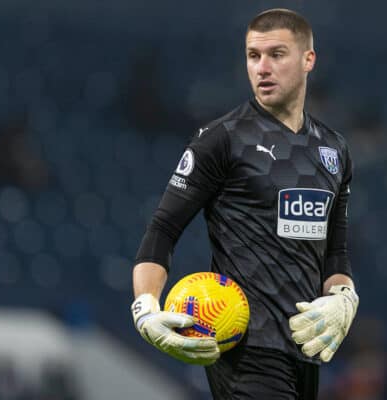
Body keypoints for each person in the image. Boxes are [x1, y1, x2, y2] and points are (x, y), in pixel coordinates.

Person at [130, 8, 358, 399]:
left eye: (277, 54)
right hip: (245, 348)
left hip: (305, 350)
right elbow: (162, 230)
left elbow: (334, 254)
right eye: (254, 56)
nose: (262, 68)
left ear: (308, 60)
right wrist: (145, 307)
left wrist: (345, 297)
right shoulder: (221, 139)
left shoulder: (333, 149)